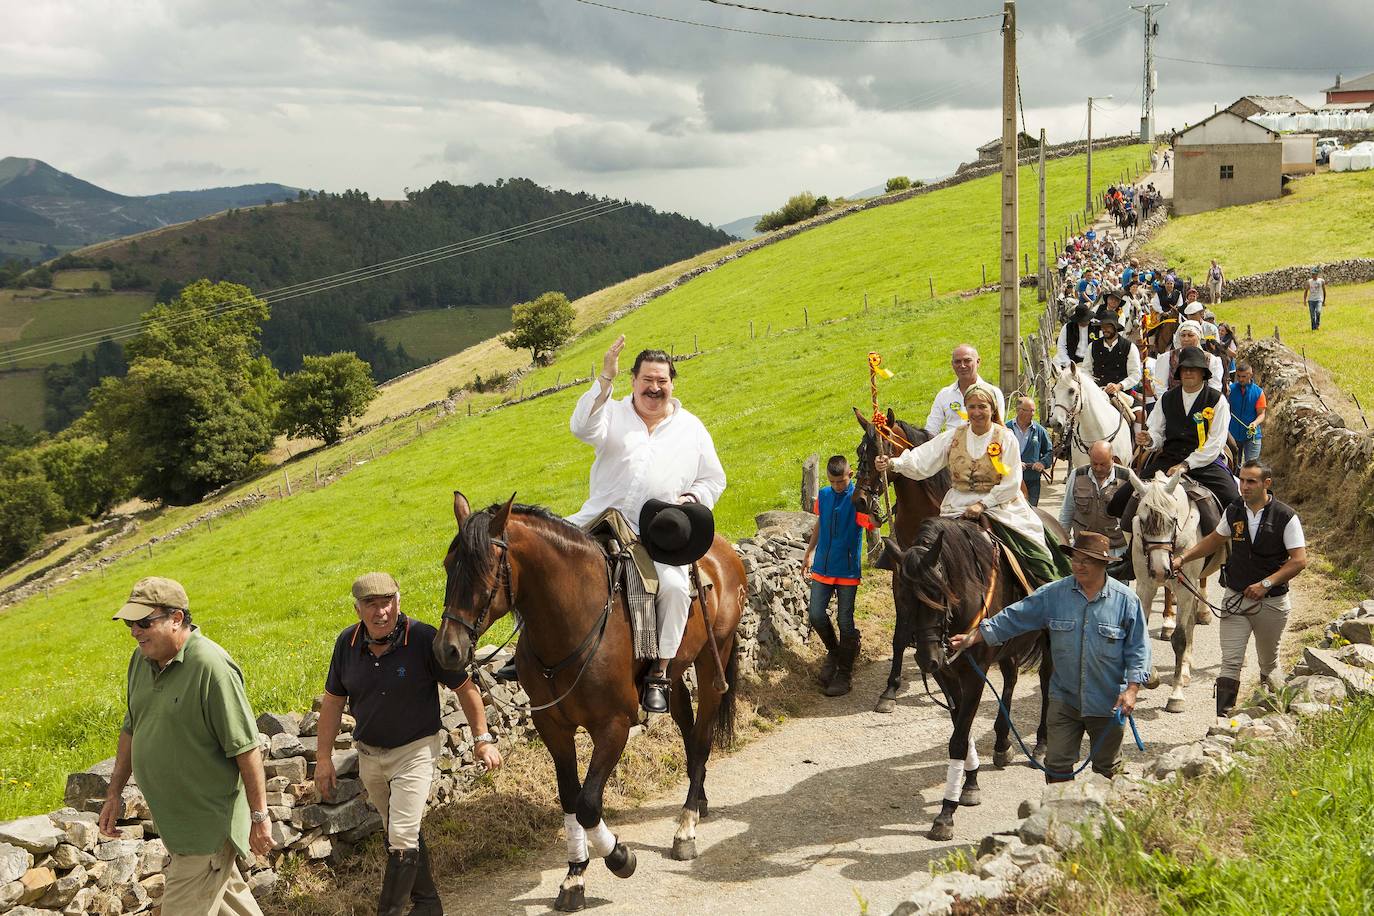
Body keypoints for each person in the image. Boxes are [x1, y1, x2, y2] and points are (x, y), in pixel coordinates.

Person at [568, 335, 727, 713]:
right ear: (633, 381)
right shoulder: (613, 413)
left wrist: (693, 500)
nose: (654, 389)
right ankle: (529, 651)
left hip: (656, 534)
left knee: (673, 588)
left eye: (662, 382)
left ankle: (659, 672)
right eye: (647, 381)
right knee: (540, 557)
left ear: (672, 383)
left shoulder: (691, 428)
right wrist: (604, 379)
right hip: (599, 519)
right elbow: (580, 428)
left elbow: (713, 479)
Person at [100, 577, 271, 916]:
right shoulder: (141, 661)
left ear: (176, 618)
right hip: (176, 827)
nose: (135, 631)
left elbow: (246, 748)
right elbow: (131, 727)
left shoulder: (212, 667)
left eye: (144, 622)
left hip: (205, 831)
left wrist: (259, 817)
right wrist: (113, 792)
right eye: (131, 623)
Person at [949, 532, 1150, 781]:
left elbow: (1138, 648)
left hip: (1107, 703)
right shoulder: (1054, 594)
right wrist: (975, 636)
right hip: (1064, 701)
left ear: (1103, 564)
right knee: (1057, 768)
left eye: (1086, 560)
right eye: (1076, 559)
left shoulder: (1126, 601)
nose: (1078, 565)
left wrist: (1132, 690)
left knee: (1108, 771)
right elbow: (1015, 616)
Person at [879, 383, 1068, 586]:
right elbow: (924, 458)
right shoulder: (953, 436)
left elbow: (1012, 482)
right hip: (957, 506)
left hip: (1002, 507)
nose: (976, 412)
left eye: (982, 407)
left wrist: (983, 504)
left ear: (992, 409)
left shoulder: (1006, 438)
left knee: (1035, 554)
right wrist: (892, 463)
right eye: (971, 407)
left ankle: (1043, 590)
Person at [1171, 461, 1307, 717]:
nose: (1244, 486)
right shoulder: (1233, 510)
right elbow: (1214, 540)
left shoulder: (1286, 516)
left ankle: (1272, 718)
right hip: (1235, 598)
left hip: (1272, 603)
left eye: (1251, 481)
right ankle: (1223, 725)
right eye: (1242, 480)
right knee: (1230, 663)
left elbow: (1299, 560)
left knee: (1268, 664)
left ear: (1267, 483)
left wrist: (1266, 583)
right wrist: (1183, 558)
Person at [1117, 346, 1239, 517]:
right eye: (1184, 369)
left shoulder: (1217, 401)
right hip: (1169, 460)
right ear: (1179, 373)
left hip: (1205, 464)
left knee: (1234, 504)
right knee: (1119, 501)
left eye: (1193, 369)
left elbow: (1215, 443)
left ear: (1203, 373)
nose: (1188, 373)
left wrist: (1186, 465)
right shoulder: (1167, 398)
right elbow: (1157, 432)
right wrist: (1150, 439)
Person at [803, 455, 864, 697]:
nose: (837, 486)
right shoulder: (825, 496)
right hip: (822, 568)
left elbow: (873, 524)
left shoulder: (857, 498)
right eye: (833, 481)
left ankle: (845, 673)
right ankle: (835, 652)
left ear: (850, 474)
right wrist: (809, 552)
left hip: (847, 570)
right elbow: (820, 523)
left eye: (841, 481)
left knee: (845, 622)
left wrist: (872, 507)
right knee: (816, 615)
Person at [1058, 440, 1130, 568]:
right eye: (1094, 463)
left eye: (1103, 464)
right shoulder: (1077, 475)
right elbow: (1067, 509)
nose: (1098, 468)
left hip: (1115, 550)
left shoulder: (1127, 477)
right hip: (1084, 548)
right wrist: (1062, 541)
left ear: (1113, 459)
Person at [923, 343, 1007, 436]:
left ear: (978, 362)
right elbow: (931, 430)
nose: (962, 365)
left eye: (967, 361)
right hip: (951, 448)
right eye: (958, 362)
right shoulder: (944, 395)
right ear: (952, 364)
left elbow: (998, 428)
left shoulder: (993, 393)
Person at [1082, 313, 1142, 406]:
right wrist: (1093, 386)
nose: (1105, 329)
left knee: (1140, 415)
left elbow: (1135, 374)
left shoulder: (1129, 347)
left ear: (1115, 327)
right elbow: (1085, 371)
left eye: (1108, 326)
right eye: (1103, 326)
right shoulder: (1093, 346)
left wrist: (1120, 386)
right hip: (1097, 391)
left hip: (1121, 392)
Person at [1155, 322, 1225, 393]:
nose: (1186, 339)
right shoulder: (1167, 358)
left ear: (1198, 336)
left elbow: (1215, 388)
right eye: (1183, 335)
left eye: (1190, 335)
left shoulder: (1211, 360)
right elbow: (1160, 386)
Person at [1009, 397, 1053, 507]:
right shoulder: (1006, 429)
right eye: (1029, 410)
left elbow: (1049, 452)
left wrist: (1042, 463)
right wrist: (1015, 464)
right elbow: (997, 455)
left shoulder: (1040, 430)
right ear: (1019, 410)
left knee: (1032, 511)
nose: (1033, 414)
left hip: (1032, 480)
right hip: (1010, 481)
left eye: (1034, 410)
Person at [1227, 362, 1267, 463]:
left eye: (1244, 376)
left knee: (1251, 465)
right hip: (1233, 435)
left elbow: (1261, 414)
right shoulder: (1230, 390)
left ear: (1250, 375)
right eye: (1238, 376)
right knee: (1233, 465)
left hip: (1252, 436)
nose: (1240, 379)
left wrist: (1255, 423)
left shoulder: (1259, 392)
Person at [1304, 266, 1327, 330]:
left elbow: (1324, 291)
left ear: (1317, 274)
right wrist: (1304, 300)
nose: (1313, 275)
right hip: (1311, 300)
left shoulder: (1321, 281)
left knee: (1318, 312)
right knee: (1312, 316)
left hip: (1319, 300)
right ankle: (1313, 328)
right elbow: (1306, 291)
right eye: (1312, 274)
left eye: (1314, 274)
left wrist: (1324, 301)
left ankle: (1317, 325)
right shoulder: (1309, 282)